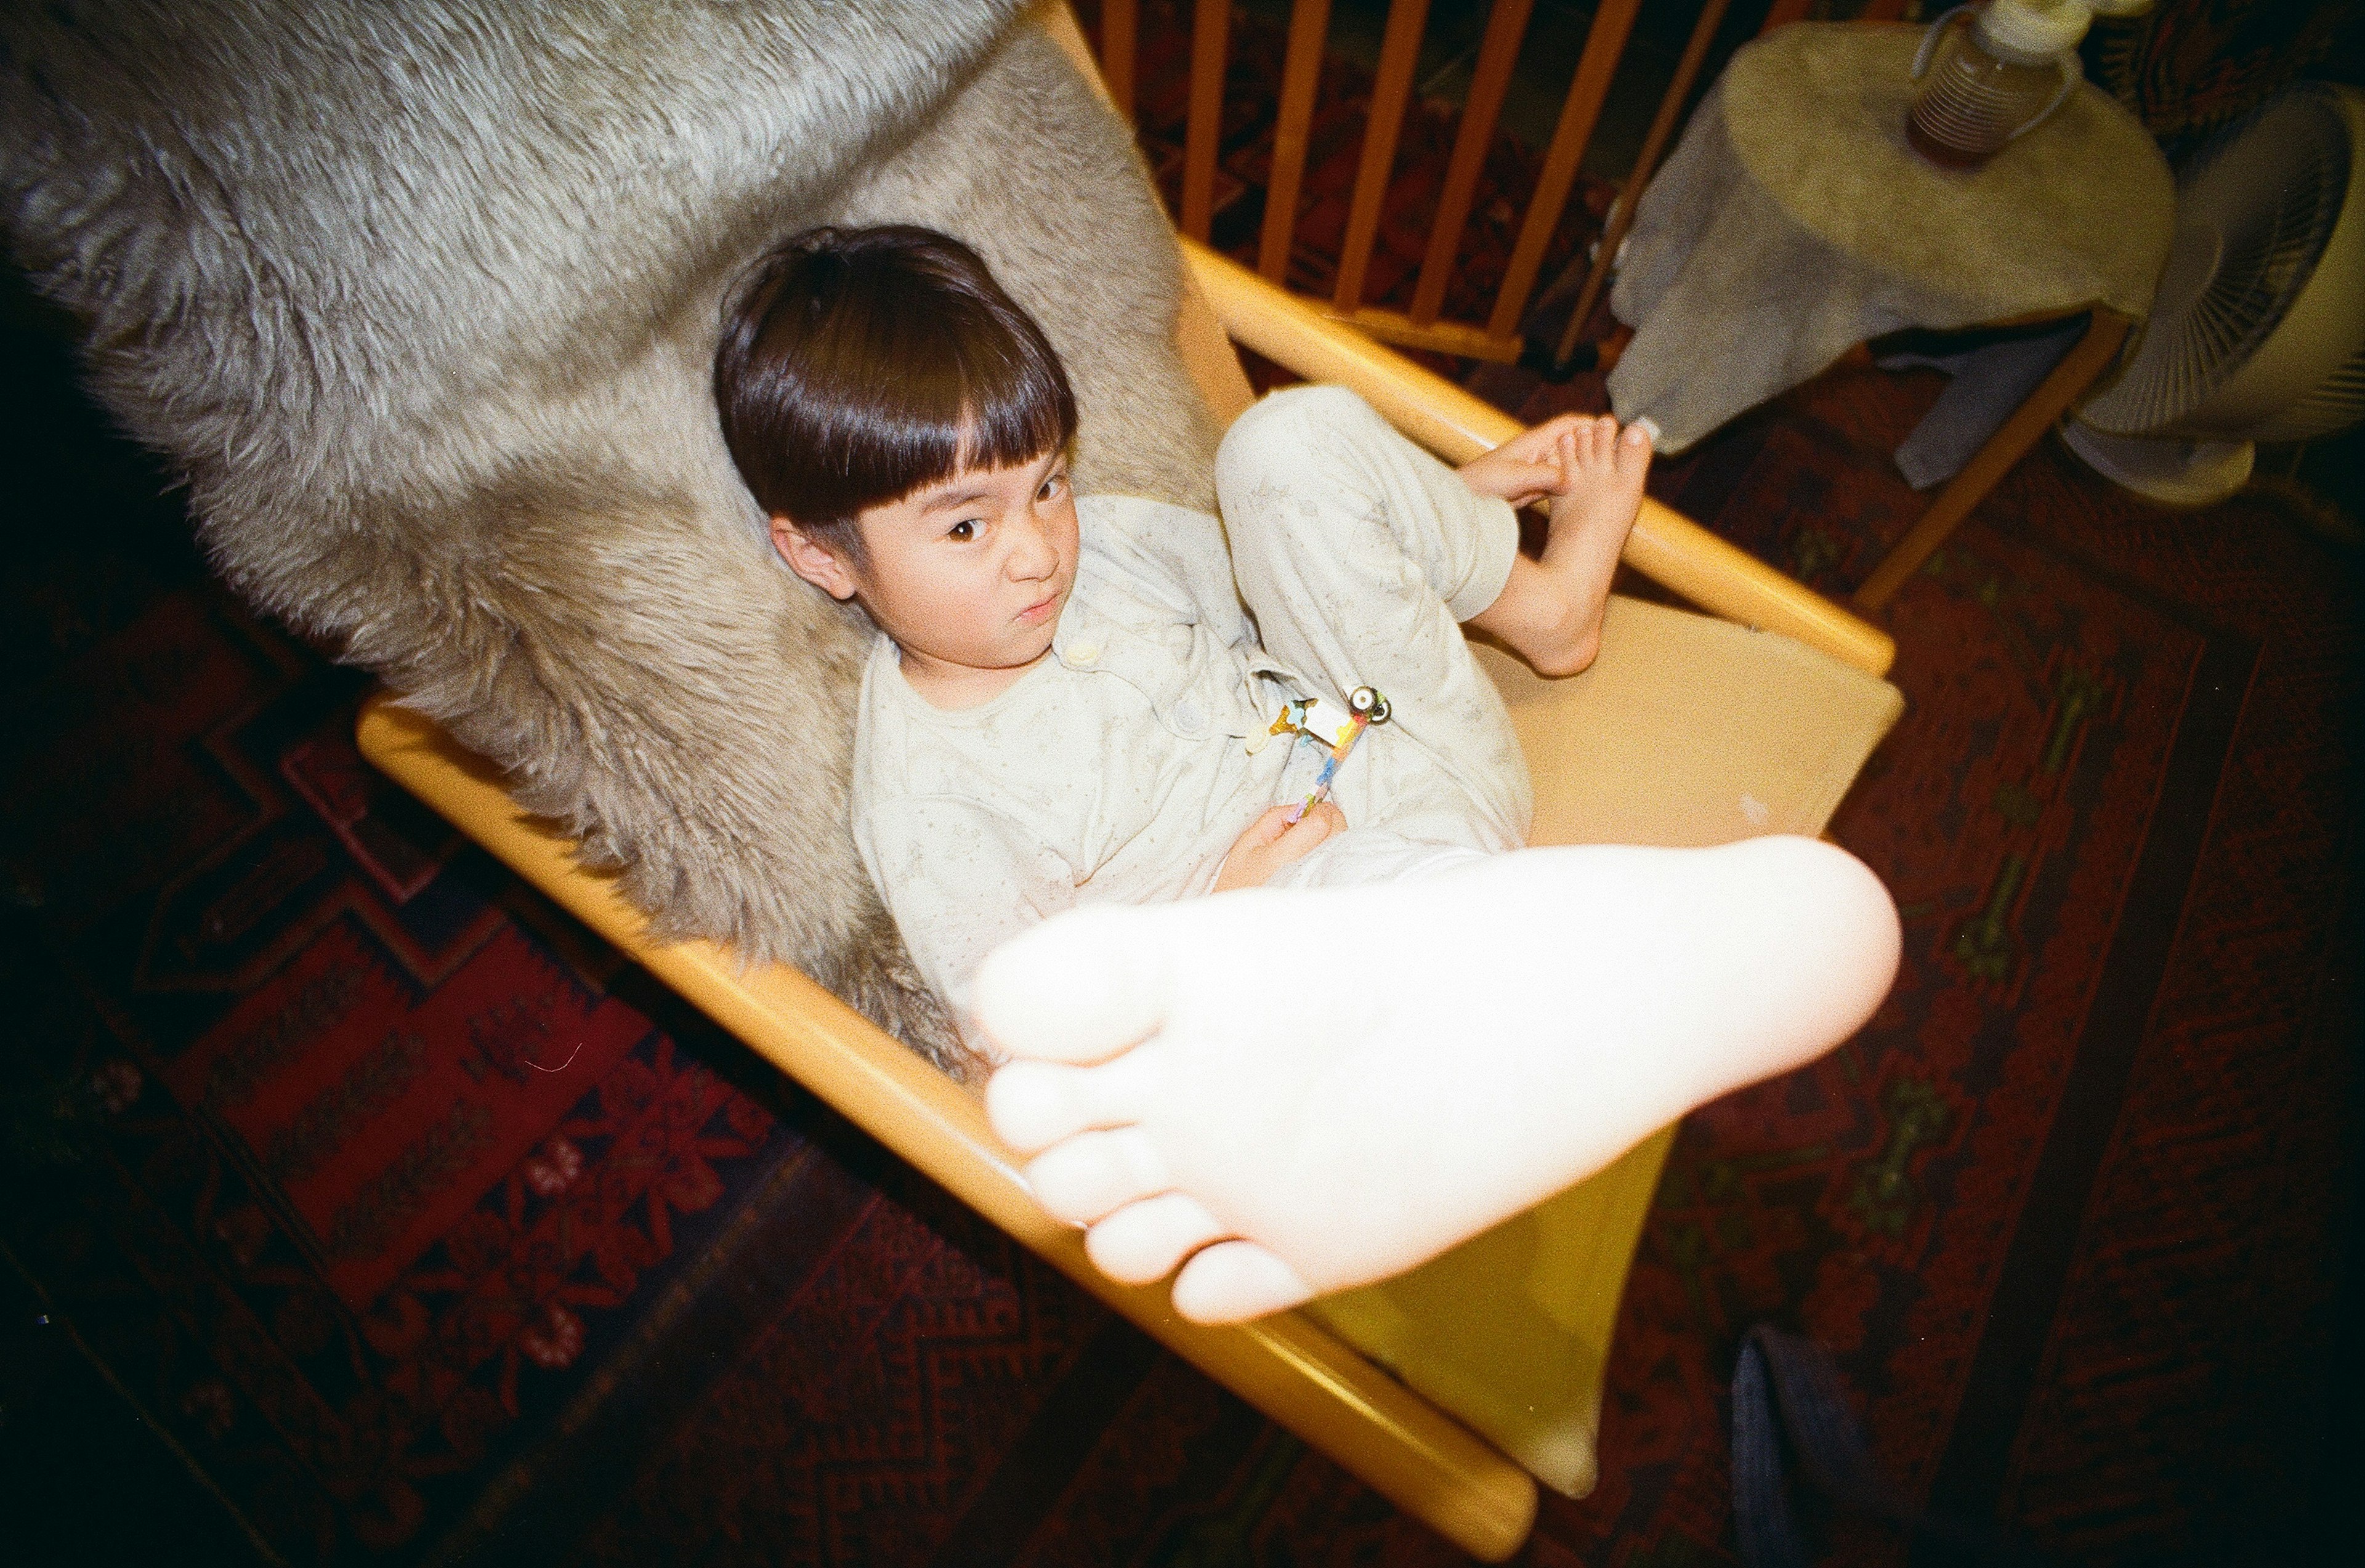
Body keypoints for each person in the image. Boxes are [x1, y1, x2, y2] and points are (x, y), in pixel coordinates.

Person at [716, 224, 1901, 1324]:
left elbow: (1277, 568)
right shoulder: (935, 802)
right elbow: (1026, 1046)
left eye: (1048, 484)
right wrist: (1228, 915)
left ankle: (1549, 612)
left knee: (1281, 444)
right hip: (1293, 930)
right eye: (966, 528)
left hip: (1391, 737)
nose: (1038, 550)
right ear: (821, 554)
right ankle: (1486, 1027)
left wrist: (1446, 500)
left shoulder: (1104, 551)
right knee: (1343, 909)